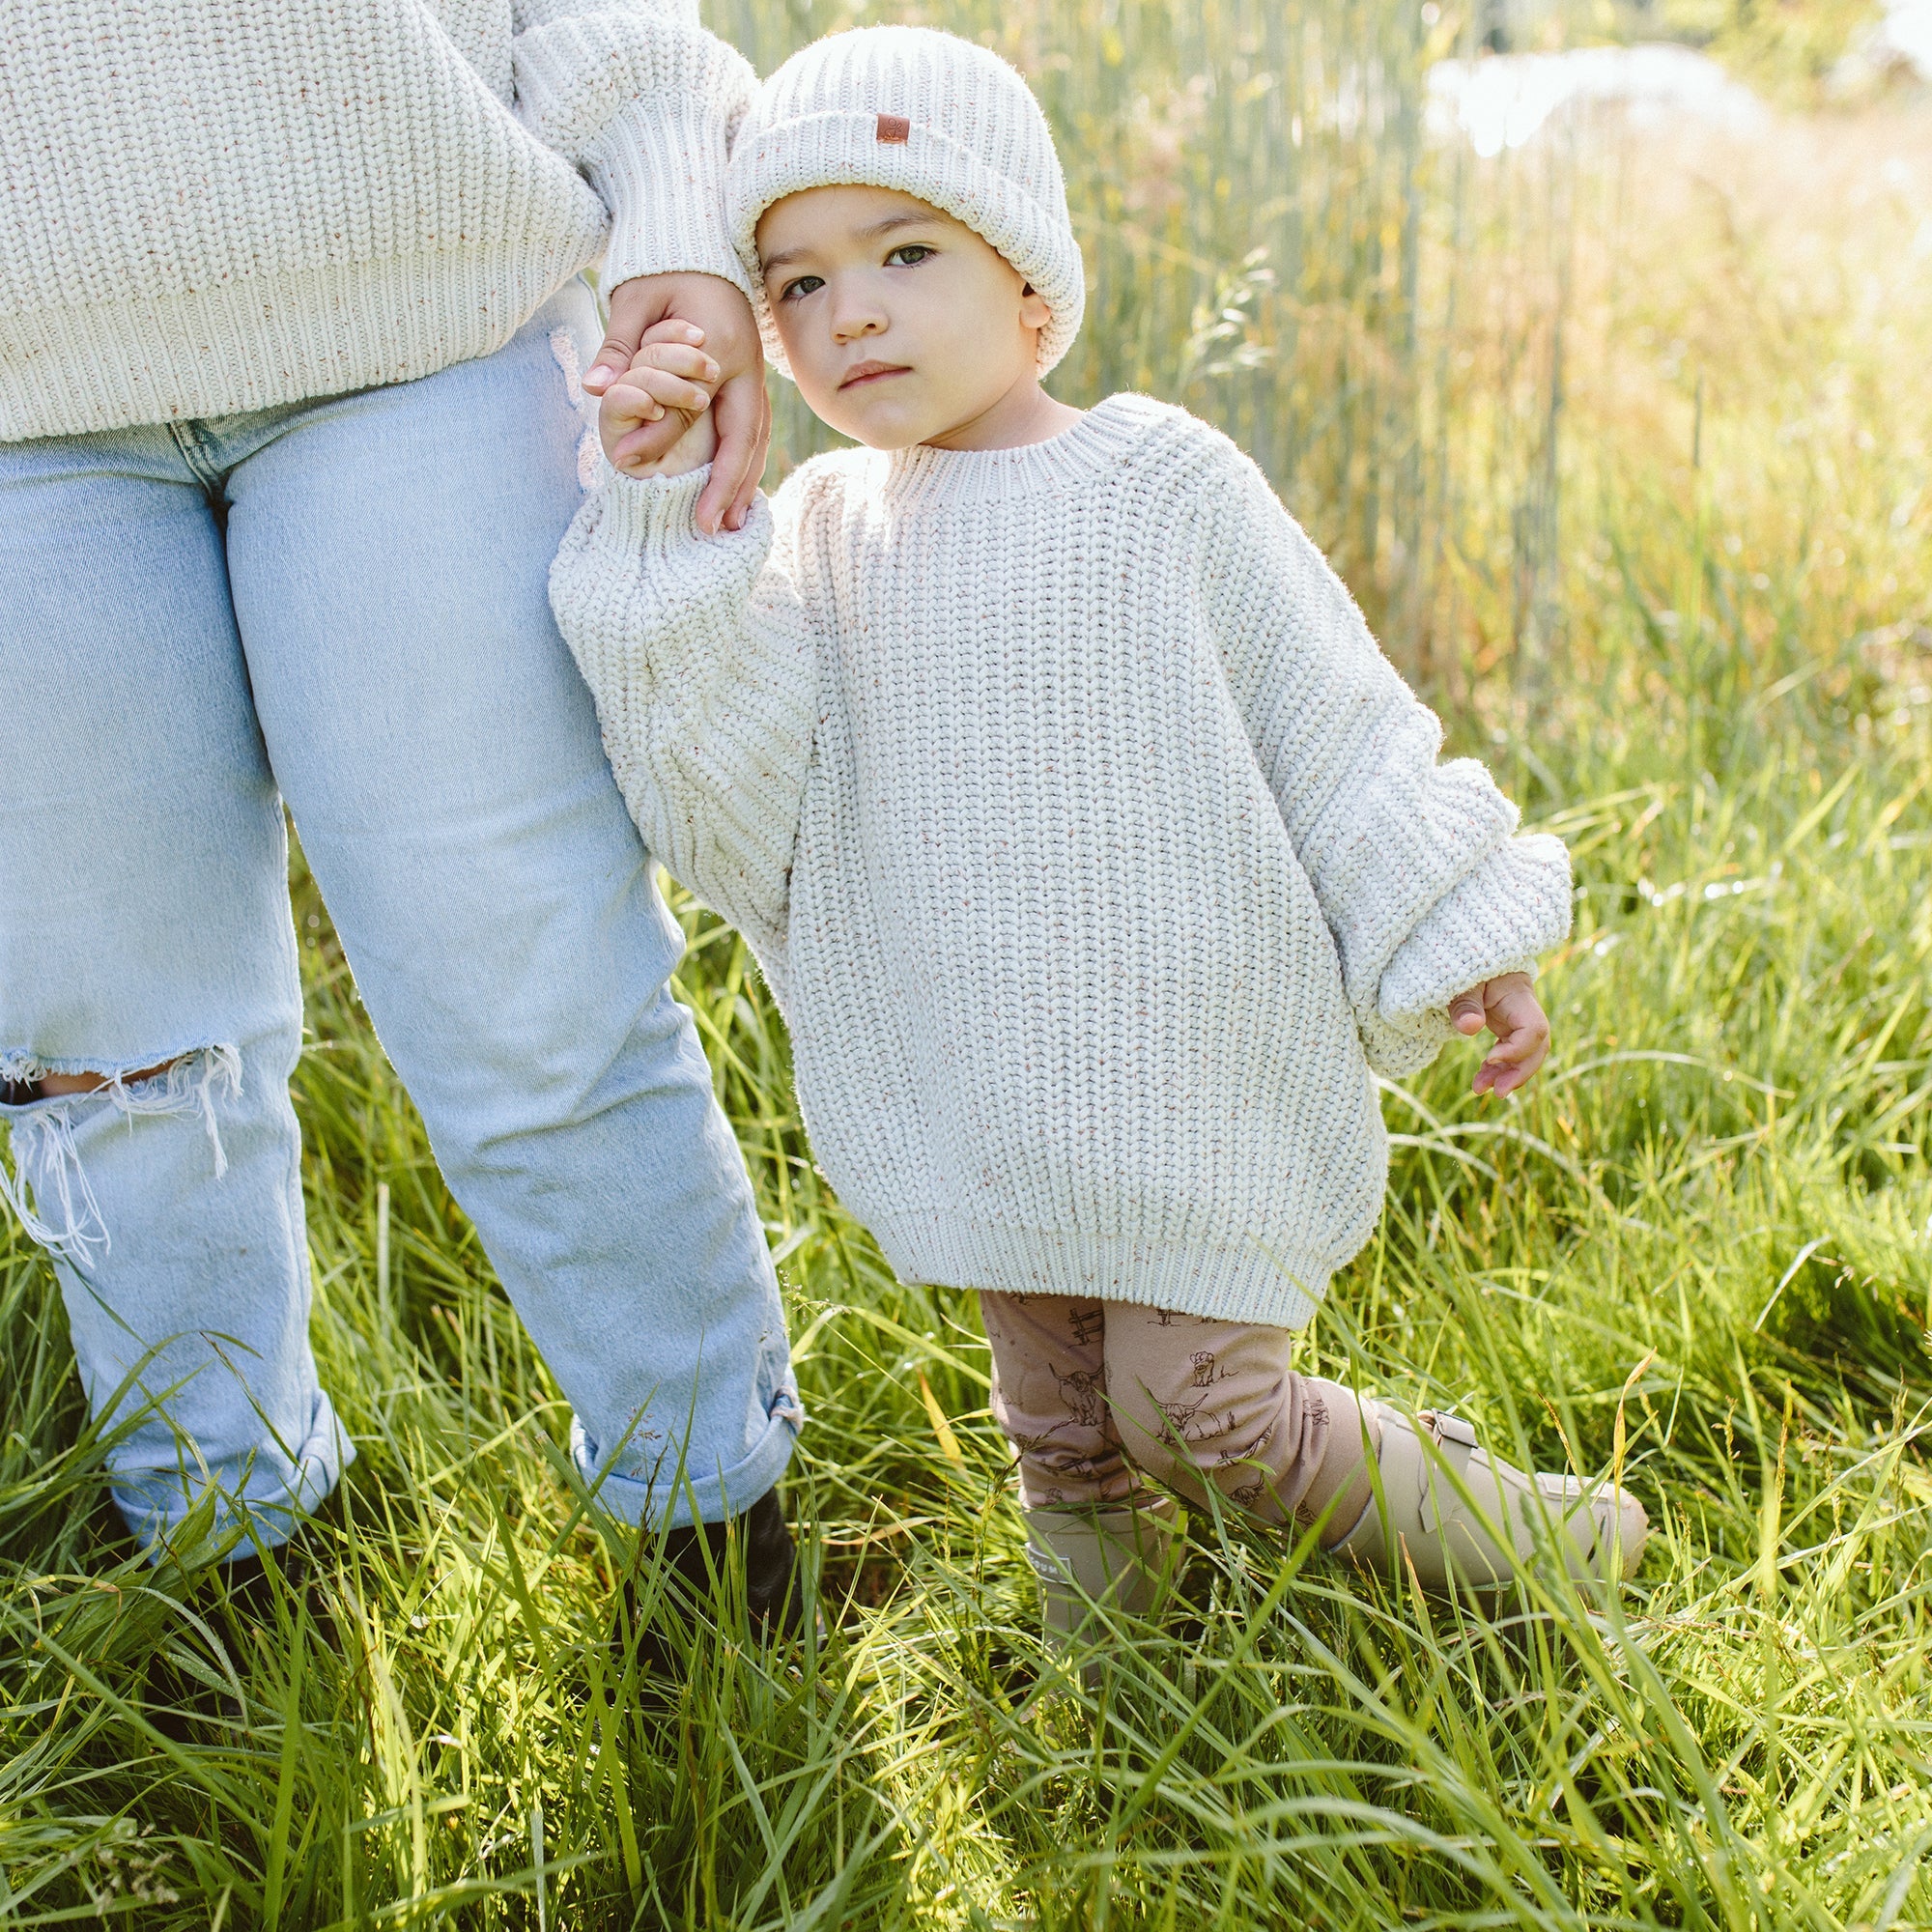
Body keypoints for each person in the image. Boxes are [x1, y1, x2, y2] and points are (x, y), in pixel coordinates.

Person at [551, 25, 1647, 1639]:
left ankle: (1543, 1537)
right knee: (1063, 1428)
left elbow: (1333, 721)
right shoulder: (823, 540)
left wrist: (1462, 927)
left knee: (1204, 1417)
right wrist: (661, 507)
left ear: (1029, 283)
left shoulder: (1156, 485)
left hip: (1192, 1064)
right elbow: (725, 777)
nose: (849, 310)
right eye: (792, 284)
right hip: (989, 1079)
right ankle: (1118, 1712)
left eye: (905, 252)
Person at [0, 0, 804, 1631]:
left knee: (533, 989)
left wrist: (668, 190)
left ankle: (714, 1530)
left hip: (424, 323)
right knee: (115, 1058)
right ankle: (240, 1556)